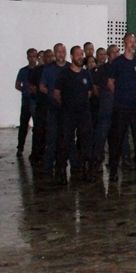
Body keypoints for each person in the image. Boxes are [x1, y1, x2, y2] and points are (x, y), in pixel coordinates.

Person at [108, 33, 136, 181]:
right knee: (118, 139)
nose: (133, 44)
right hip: (121, 107)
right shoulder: (117, 62)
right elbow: (110, 82)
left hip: (135, 106)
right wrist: (121, 94)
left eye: (134, 41)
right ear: (124, 43)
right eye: (130, 41)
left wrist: (133, 93)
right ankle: (113, 170)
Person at [53, 46, 94, 184]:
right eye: (77, 54)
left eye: (81, 54)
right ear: (71, 56)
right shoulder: (64, 74)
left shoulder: (86, 74)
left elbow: (89, 93)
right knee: (64, 142)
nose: (80, 56)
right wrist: (67, 105)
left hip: (84, 114)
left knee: (86, 142)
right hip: (68, 114)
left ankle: (86, 171)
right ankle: (62, 172)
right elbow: (56, 94)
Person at [40, 43, 69, 173]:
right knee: (51, 137)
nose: (61, 54)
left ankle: (71, 164)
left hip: (68, 109)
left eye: (63, 51)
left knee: (68, 138)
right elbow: (42, 87)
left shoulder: (70, 68)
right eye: (58, 51)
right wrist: (53, 94)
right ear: (54, 53)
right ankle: (48, 165)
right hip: (53, 108)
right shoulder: (48, 69)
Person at [28, 49, 52, 165]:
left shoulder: (57, 69)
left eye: (52, 56)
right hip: (41, 104)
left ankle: (48, 154)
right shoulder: (37, 71)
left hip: (53, 105)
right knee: (39, 130)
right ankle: (36, 154)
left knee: (50, 130)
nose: (50, 58)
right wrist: (37, 93)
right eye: (48, 56)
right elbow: (30, 84)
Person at [15, 47, 37, 157]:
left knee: (37, 127)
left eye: (34, 56)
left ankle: (35, 149)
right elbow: (17, 85)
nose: (32, 59)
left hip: (36, 101)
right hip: (26, 101)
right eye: (30, 57)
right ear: (27, 57)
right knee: (23, 125)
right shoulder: (23, 71)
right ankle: (20, 147)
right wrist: (25, 90)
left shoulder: (40, 70)